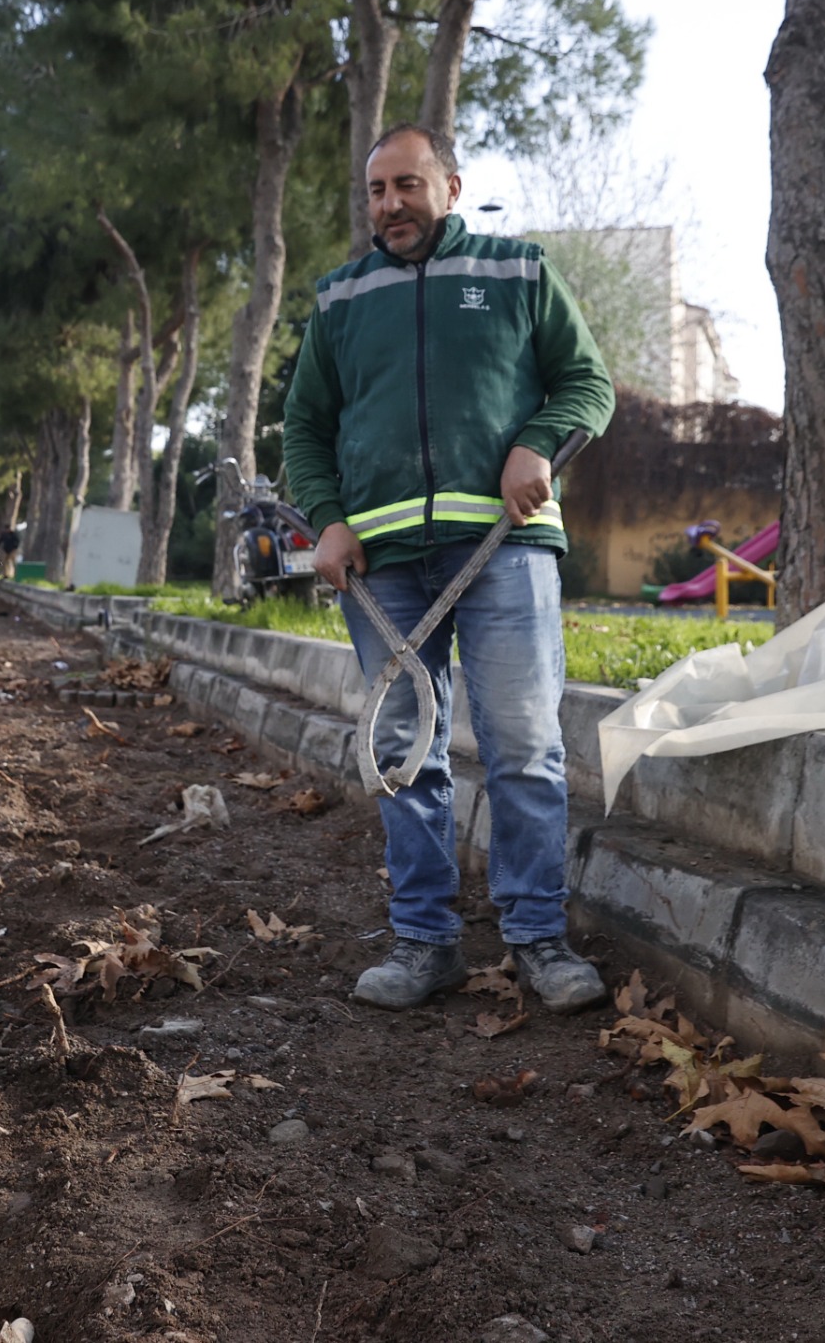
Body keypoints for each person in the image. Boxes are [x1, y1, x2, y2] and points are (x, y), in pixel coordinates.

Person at [280, 123, 615, 1014]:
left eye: (408, 186)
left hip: (502, 552)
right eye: (377, 191)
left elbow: (587, 383)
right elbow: (305, 430)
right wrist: (328, 521)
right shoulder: (341, 299)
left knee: (525, 749)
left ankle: (539, 940)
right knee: (402, 753)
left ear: (451, 187)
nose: (390, 205)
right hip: (381, 569)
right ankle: (425, 944)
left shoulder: (518, 273)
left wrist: (538, 444)